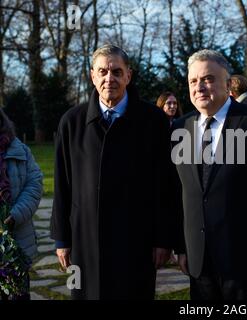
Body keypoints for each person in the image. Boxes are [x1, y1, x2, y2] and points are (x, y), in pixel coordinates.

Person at [50, 44, 175, 299]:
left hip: (137, 239)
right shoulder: (71, 122)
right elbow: (63, 184)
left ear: (128, 75)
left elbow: (166, 185)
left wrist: (164, 239)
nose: (110, 79)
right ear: (92, 76)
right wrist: (62, 239)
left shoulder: (154, 122)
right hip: (85, 239)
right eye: (103, 72)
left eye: (117, 72)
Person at [172, 49, 247, 300]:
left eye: (208, 79)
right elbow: (179, 193)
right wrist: (181, 247)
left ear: (228, 84)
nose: (200, 87)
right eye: (193, 81)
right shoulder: (180, 127)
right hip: (199, 262)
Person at [0, 109, 43, 300]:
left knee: (18, 295)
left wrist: (15, 215)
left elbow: (34, 185)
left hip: (16, 244)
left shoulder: (20, 150)